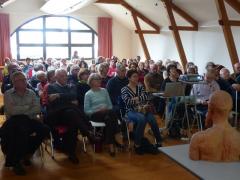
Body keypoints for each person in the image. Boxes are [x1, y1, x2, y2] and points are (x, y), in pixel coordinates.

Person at [1, 71, 49, 175]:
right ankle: (16, 161)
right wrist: (28, 107)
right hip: (13, 122)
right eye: (21, 80)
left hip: (29, 120)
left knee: (44, 129)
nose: (25, 81)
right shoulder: (8, 94)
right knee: (21, 129)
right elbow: (11, 111)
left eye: (25, 79)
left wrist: (21, 109)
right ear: (14, 82)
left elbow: (37, 108)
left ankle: (26, 152)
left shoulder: (31, 92)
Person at [47, 69, 95, 164]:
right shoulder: (51, 87)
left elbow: (73, 95)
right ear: (56, 77)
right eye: (61, 76)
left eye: (65, 75)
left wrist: (58, 96)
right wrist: (69, 101)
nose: (65, 77)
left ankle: (71, 153)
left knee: (71, 119)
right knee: (72, 110)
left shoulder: (71, 86)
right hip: (58, 117)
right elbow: (57, 103)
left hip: (70, 117)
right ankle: (87, 131)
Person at [189, 90, 240, 161]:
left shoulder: (198, 139)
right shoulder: (238, 139)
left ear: (209, 109)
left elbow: (193, 167)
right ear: (230, 110)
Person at [121, 70, 162, 155]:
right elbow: (128, 102)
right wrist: (140, 98)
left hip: (143, 109)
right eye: (134, 76)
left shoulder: (140, 87)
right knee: (142, 119)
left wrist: (136, 99)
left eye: (137, 76)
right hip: (130, 111)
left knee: (152, 120)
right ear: (129, 78)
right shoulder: (124, 89)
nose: (137, 78)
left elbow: (146, 97)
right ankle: (137, 144)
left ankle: (159, 141)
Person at [84, 73, 123, 156]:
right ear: (91, 81)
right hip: (95, 115)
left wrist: (105, 109)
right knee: (112, 114)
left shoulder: (104, 91)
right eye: (96, 79)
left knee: (109, 118)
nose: (99, 81)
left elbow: (110, 105)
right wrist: (98, 110)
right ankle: (116, 136)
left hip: (107, 114)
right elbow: (87, 111)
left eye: (99, 79)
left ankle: (111, 145)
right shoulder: (88, 94)